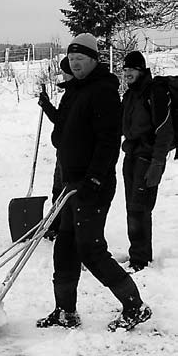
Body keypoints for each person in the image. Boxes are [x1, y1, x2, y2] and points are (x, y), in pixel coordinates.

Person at [35, 33, 151, 332]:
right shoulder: (75, 90)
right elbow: (64, 129)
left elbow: (108, 142)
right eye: (71, 60)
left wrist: (95, 178)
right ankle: (65, 311)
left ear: (93, 60)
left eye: (80, 59)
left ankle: (135, 307)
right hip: (71, 183)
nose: (74, 64)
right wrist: (51, 111)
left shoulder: (103, 92)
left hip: (92, 186)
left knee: (90, 249)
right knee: (65, 247)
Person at [120, 50, 173, 272]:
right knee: (131, 208)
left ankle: (141, 259)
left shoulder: (154, 92)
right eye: (125, 70)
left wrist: (157, 163)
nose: (127, 73)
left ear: (141, 70)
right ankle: (137, 254)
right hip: (131, 154)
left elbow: (165, 130)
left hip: (147, 157)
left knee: (140, 208)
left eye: (131, 69)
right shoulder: (130, 94)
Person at [38, 56, 76, 240]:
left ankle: (65, 227)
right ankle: (56, 224)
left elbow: (64, 122)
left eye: (64, 72)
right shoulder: (69, 94)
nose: (62, 75)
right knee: (58, 189)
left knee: (64, 190)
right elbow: (60, 120)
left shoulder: (77, 95)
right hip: (62, 149)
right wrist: (46, 105)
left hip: (71, 151)